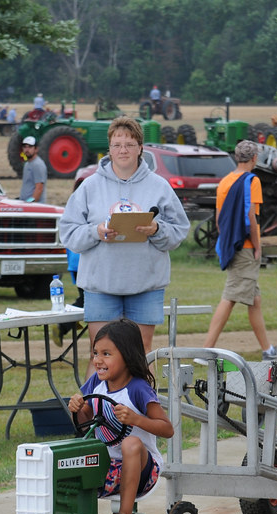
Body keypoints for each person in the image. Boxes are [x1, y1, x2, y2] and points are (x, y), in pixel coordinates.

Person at [60, 116, 188, 372]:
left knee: (141, 351)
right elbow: (68, 232)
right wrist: (96, 231)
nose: (123, 150)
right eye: (117, 144)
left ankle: (143, 410)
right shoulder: (89, 186)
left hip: (146, 284)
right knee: (101, 353)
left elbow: (180, 230)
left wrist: (156, 229)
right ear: (108, 148)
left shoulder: (159, 186)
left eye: (129, 144)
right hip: (101, 284)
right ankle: (95, 410)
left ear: (141, 148)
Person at [67, 319, 173, 514]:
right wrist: (79, 408)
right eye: (95, 353)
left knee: (131, 443)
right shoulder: (96, 383)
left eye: (106, 354)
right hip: (107, 467)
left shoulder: (137, 388)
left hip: (143, 470)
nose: (98, 360)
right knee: (67, 458)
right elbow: (87, 425)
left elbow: (167, 429)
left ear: (126, 355)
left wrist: (136, 419)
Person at [204, 140, 277, 361]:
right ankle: (205, 351)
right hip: (246, 248)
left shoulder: (225, 182)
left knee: (254, 300)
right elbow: (251, 217)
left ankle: (268, 350)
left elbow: (220, 219)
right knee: (230, 296)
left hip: (231, 245)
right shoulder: (252, 180)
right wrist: (258, 246)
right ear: (254, 159)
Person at [18, 135, 47, 204]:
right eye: (25, 147)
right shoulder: (27, 164)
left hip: (34, 206)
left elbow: (39, 188)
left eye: (30, 147)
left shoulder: (38, 165)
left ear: (36, 149)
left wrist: (29, 203)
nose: (27, 149)